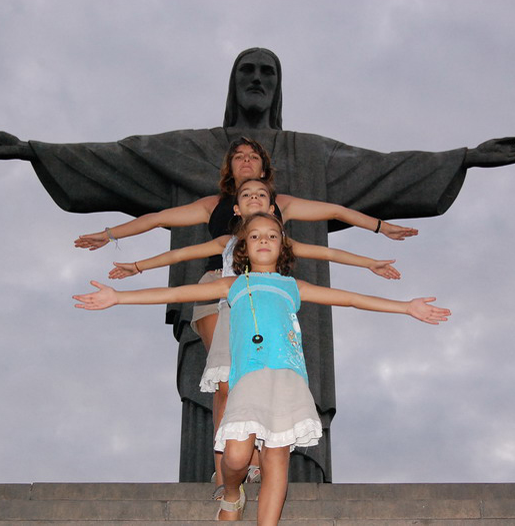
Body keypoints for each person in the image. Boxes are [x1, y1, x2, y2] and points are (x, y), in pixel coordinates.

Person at [0, 47, 515, 482]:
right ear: (232, 84)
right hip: (220, 295)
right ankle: (223, 481)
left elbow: (379, 172)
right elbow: (121, 161)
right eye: (247, 71)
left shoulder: (310, 155)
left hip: (287, 308)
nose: (257, 80)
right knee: (221, 383)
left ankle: (266, 479)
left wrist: (462, 159)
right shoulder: (194, 151)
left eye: (267, 73)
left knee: (284, 398)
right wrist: (32, 150)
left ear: (278, 88)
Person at [73, 213, 451, 524]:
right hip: (248, 379)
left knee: (276, 458)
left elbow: (350, 298)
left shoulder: (293, 286)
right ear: (244, 247)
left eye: (272, 234)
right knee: (236, 457)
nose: (264, 239)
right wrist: (118, 297)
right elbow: (175, 294)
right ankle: (233, 493)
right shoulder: (233, 284)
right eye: (255, 235)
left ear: (283, 245)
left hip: (288, 378)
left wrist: (405, 306)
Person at [105, 177, 402, 487]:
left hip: (268, 324)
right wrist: (137, 267)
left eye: (261, 194)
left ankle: (258, 459)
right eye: (246, 194)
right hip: (233, 312)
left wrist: (370, 264)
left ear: (273, 208)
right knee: (226, 385)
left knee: (265, 386)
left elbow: (327, 255)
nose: (255, 199)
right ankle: (227, 472)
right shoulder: (228, 242)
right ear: (235, 208)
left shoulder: (280, 244)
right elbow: (180, 256)